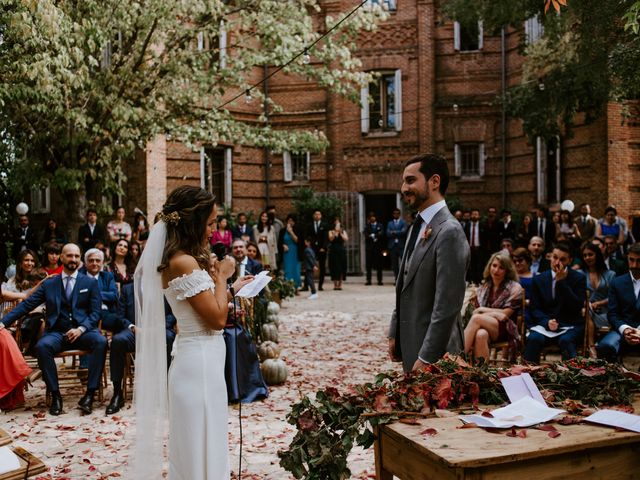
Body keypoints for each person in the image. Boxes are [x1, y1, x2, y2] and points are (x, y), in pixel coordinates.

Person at [131, 185, 251, 479]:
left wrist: (231, 288)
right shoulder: (181, 262)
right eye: (210, 223)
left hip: (202, 358)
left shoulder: (183, 259)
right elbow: (217, 320)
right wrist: (222, 277)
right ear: (193, 222)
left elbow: (205, 307)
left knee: (206, 438)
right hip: (197, 362)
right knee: (198, 444)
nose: (214, 230)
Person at [0, 243, 106, 415]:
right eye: (69, 256)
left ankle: (90, 394)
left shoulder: (90, 282)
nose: (73, 259)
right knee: (42, 347)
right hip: (57, 333)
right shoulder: (50, 283)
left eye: (76, 256)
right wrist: (3, 323)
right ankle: (56, 396)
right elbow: (27, 304)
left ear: (80, 259)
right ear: (61, 258)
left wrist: (81, 329)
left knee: (101, 342)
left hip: (83, 332)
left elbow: (96, 313)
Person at [388, 153, 470, 372]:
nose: (404, 188)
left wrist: (427, 357)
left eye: (411, 180)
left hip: (437, 356)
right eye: (404, 181)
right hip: (411, 343)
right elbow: (404, 284)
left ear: (434, 182)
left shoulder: (449, 231)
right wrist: (394, 332)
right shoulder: (418, 225)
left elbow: (447, 305)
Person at [106, 281, 176, 415]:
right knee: (117, 340)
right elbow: (120, 316)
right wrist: (132, 327)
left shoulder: (165, 285)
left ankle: (168, 390)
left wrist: (157, 327)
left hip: (158, 330)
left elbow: (172, 314)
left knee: (169, 338)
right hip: (134, 331)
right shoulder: (127, 289)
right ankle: (117, 393)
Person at [523, 243, 587, 363]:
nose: (557, 262)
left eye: (562, 259)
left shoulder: (578, 278)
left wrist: (562, 282)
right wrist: (546, 322)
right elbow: (534, 308)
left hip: (569, 324)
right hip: (545, 324)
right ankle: (529, 374)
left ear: (570, 260)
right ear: (550, 257)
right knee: (534, 339)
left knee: (566, 341)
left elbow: (577, 306)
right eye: (555, 257)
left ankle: (571, 375)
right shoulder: (539, 279)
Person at [463, 252, 523, 361]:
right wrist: (495, 313)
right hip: (486, 326)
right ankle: (481, 373)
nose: (496, 270)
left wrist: (482, 310)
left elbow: (505, 314)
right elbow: (476, 311)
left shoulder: (515, 287)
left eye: (501, 268)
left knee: (477, 319)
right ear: (489, 266)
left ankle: (458, 357)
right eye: (494, 266)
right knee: (481, 334)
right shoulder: (484, 287)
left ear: (507, 270)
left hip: (506, 328)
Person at [596, 243, 640, 362]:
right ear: (627, 258)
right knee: (605, 346)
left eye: (639, 261)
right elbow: (613, 314)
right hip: (622, 330)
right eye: (632, 260)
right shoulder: (617, 283)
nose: (635, 265)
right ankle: (615, 378)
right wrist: (625, 329)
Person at [580, 242, 616, 358]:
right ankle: (592, 347)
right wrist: (586, 303)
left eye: (590, 254)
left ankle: (592, 347)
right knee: (587, 310)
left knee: (588, 311)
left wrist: (599, 303)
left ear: (597, 255)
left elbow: (614, 297)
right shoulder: (580, 274)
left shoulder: (610, 274)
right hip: (587, 311)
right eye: (584, 255)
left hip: (606, 312)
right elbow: (578, 295)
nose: (587, 258)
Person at [0, 286, 31, 411]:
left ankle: (10, 392)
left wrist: (42, 283)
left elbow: (26, 296)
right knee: (3, 337)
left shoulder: (2, 292)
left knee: (4, 338)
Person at [81, 248, 119, 332]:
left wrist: (92, 294)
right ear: (85, 263)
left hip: (106, 313)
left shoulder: (107, 276)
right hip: (86, 313)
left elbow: (114, 295)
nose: (94, 263)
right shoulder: (80, 277)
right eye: (91, 260)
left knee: (122, 322)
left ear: (102, 263)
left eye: (97, 261)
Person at [278, 214, 303, 289]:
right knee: (287, 270)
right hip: (286, 253)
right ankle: (287, 287)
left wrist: (291, 232)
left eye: (292, 221)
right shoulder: (282, 230)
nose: (290, 222)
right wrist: (283, 246)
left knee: (296, 270)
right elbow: (279, 242)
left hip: (295, 252)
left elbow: (298, 241)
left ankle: (296, 287)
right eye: (289, 221)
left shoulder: (298, 229)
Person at [307, 210, 328, 291]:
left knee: (322, 267)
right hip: (312, 248)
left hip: (321, 248)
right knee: (309, 265)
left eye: (319, 214)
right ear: (313, 215)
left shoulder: (324, 225)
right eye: (315, 214)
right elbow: (308, 236)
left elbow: (326, 238)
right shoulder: (310, 225)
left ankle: (320, 285)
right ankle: (306, 285)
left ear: (321, 216)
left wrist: (324, 247)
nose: (317, 215)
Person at [386, 208, 408, 283]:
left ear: (399, 214)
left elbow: (404, 232)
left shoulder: (403, 222)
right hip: (392, 246)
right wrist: (398, 232)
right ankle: (397, 280)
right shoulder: (389, 223)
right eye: (394, 213)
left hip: (401, 246)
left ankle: (404, 280)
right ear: (393, 214)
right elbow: (388, 233)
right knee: (395, 265)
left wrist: (394, 232)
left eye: (397, 213)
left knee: (403, 264)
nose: (396, 215)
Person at [464, 208, 485, 285]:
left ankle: (479, 281)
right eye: (473, 214)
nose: (474, 216)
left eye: (476, 214)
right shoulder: (467, 225)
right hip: (469, 248)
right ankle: (471, 280)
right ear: (470, 216)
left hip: (479, 248)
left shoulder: (482, 225)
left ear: (479, 216)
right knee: (470, 265)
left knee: (479, 265)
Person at [512, 247, 533, 326]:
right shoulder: (509, 277)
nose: (517, 263)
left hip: (528, 310)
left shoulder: (536, 277)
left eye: (520, 260)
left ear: (527, 261)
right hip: (511, 309)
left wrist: (525, 302)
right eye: (515, 261)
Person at [364, 212, 384, 286]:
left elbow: (382, 234)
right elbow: (366, 235)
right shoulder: (367, 226)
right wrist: (372, 236)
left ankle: (380, 280)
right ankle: (368, 280)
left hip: (378, 248)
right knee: (369, 265)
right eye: (371, 217)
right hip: (369, 248)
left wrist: (374, 235)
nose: (372, 218)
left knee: (379, 265)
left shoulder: (380, 225)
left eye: (373, 217)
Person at [328, 218, 349, 290]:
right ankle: (335, 284)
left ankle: (340, 284)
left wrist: (340, 233)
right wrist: (335, 233)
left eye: (338, 222)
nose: (337, 224)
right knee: (334, 267)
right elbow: (330, 239)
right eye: (336, 222)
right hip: (333, 251)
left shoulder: (343, 231)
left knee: (341, 267)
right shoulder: (331, 231)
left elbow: (346, 239)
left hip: (341, 251)